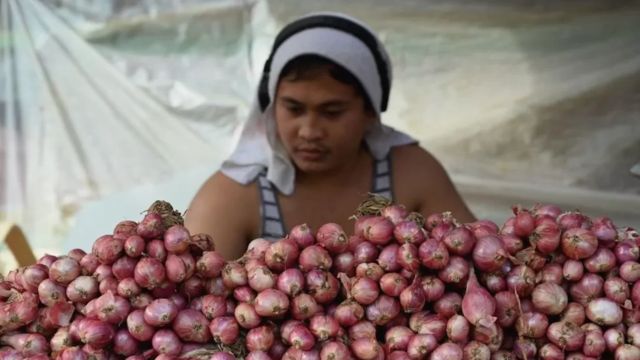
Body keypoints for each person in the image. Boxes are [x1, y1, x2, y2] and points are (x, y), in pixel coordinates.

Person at [185, 12, 475, 260]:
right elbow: (191, 293)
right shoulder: (236, 194)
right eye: (293, 108)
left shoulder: (412, 173)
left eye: (332, 111)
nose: (310, 131)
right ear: (272, 106)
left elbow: (476, 256)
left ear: (370, 111)